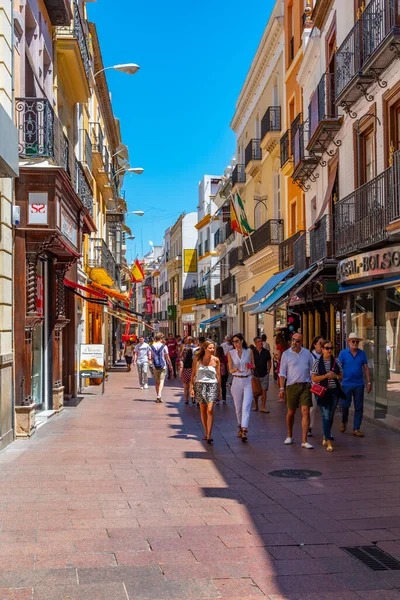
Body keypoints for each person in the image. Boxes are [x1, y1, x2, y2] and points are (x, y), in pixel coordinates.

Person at [278, 333, 314, 449]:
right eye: (293, 340)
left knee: (305, 410)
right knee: (291, 412)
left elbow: (312, 369)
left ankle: (304, 441)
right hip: (291, 386)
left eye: (297, 341)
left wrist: (313, 383)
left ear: (301, 342)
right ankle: (289, 434)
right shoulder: (286, 354)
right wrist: (282, 388)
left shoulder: (307, 353)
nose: (294, 342)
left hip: (305, 385)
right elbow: (282, 373)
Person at [311, 340, 343, 452]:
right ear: (322, 349)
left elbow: (341, 376)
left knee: (331, 415)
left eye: (331, 348)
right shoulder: (316, 362)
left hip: (334, 391)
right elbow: (314, 378)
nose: (329, 350)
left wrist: (335, 376)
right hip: (322, 392)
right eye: (327, 348)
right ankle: (328, 441)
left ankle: (325, 434)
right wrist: (325, 376)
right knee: (325, 415)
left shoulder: (337, 362)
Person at [338, 333, 372, 437]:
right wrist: (339, 381)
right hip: (346, 384)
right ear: (348, 342)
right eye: (353, 341)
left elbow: (366, 368)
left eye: (357, 341)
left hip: (359, 384)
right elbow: (338, 368)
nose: (355, 343)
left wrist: (369, 382)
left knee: (359, 407)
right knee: (345, 406)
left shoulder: (362, 354)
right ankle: (344, 421)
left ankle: (356, 428)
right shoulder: (343, 353)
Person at [190, 341, 221, 443]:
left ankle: (209, 435)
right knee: (203, 409)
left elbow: (218, 376)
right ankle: (206, 431)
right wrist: (191, 388)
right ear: (204, 348)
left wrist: (219, 391)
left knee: (210, 410)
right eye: (210, 348)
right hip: (200, 385)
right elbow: (193, 375)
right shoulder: (197, 359)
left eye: (213, 348)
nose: (212, 350)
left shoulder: (216, 360)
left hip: (212, 385)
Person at [227, 333, 255, 442]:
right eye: (233, 342)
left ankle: (244, 429)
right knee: (238, 407)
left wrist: (250, 366)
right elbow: (230, 369)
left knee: (246, 406)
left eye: (237, 341)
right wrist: (235, 370)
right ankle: (240, 425)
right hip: (236, 380)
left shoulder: (249, 351)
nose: (235, 344)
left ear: (242, 341)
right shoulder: (231, 353)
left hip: (248, 379)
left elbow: (253, 365)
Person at [308, 336, 324, 437]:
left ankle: (326, 430)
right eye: (320, 344)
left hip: (324, 385)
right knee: (312, 408)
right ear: (315, 344)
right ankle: (309, 427)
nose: (322, 346)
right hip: (313, 385)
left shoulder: (325, 355)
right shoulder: (310, 355)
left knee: (325, 409)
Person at [150, 332, 172, 403]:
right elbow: (167, 356)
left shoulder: (152, 346)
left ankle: (158, 395)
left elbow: (151, 357)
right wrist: (170, 364)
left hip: (155, 366)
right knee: (162, 380)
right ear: (161, 339)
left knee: (157, 382)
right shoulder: (164, 346)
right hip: (163, 365)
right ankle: (159, 394)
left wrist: (150, 363)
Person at [251, 337, 272, 413]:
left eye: (261, 341)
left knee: (264, 391)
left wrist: (268, 370)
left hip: (264, 374)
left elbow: (269, 361)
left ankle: (263, 407)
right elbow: (249, 362)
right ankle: (256, 405)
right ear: (255, 343)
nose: (261, 343)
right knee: (256, 391)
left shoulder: (266, 352)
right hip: (255, 374)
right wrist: (251, 368)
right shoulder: (252, 352)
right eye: (259, 342)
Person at [180, 336, 196, 404]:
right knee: (192, 385)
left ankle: (186, 400)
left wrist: (180, 373)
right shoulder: (195, 348)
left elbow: (181, 357)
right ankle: (192, 397)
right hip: (192, 369)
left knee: (186, 386)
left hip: (185, 370)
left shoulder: (184, 348)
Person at [275, 332, 289, 399]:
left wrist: (275, 356)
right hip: (288, 364)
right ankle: (287, 395)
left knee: (281, 379)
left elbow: (279, 356)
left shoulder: (279, 346)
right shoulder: (287, 345)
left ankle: (282, 396)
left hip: (281, 364)